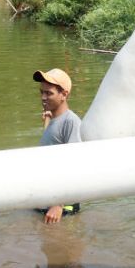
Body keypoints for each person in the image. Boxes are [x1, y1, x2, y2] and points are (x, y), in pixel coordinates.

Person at [34, 69, 82, 224]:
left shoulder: (71, 122)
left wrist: (58, 204)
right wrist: (48, 119)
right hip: (49, 198)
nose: (43, 97)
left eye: (49, 93)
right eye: (41, 92)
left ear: (64, 95)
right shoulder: (54, 119)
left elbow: (75, 164)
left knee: (62, 246)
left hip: (62, 207)